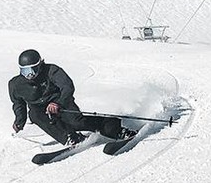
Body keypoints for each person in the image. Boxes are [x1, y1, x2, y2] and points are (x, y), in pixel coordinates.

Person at [8, 49, 137, 146]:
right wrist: (19, 122)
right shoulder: (16, 84)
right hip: (42, 111)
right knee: (34, 114)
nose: (29, 75)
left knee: (77, 122)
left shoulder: (52, 70)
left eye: (32, 70)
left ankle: (117, 130)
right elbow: (18, 104)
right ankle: (71, 138)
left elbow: (67, 86)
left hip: (62, 104)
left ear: (40, 65)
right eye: (25, 71)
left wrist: (57, 103)